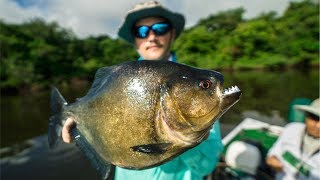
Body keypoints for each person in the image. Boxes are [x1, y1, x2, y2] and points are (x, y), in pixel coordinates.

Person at [62, 1, 223, 180]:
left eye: (160, 28)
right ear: (135, 41)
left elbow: (206, 166)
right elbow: (93, 105)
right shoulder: (118, 79)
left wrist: (187, 137)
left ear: (172, 34)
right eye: (142, 32)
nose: (151, 37)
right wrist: (81, 123)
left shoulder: (195, 85)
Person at [266, 98, 320, 180]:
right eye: (315, 117)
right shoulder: (292, 129)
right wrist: (272, 159)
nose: (318, 126)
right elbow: (275, 151)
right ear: (306, 116)